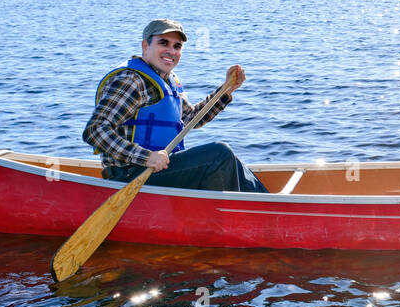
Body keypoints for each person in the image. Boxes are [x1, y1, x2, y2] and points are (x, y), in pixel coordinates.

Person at [83, 19, 269, 193]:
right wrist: (146, 157)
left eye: (177, 46)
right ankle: (261, 211)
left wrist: (226, 90)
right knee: (219, 154)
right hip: (130, 175)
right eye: (163, 43)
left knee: (230, 160)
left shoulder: (168, 81)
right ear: (145, 46)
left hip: (160, 171)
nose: (171, 51)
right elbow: (95, 131)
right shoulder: (131, 81)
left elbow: (191, 119)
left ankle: (266, 203)